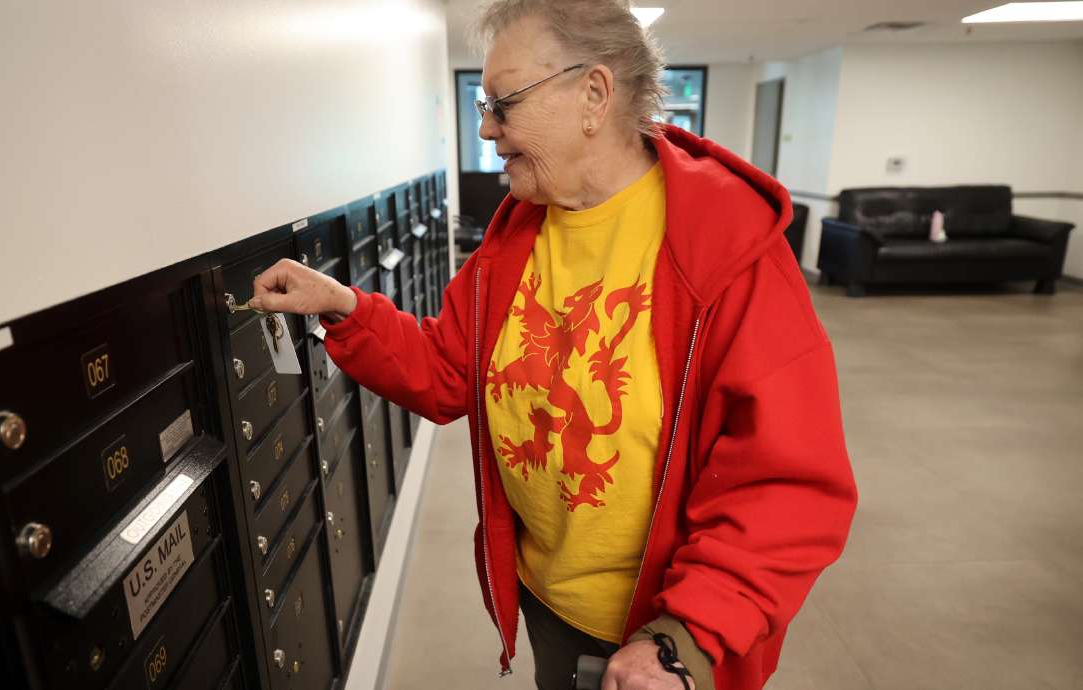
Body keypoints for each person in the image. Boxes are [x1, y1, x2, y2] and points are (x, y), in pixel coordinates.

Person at [248, 1, 857, 688]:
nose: (484, 128)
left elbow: (788, 485)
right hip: (548, 603)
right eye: (484, 104)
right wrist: (346, 307)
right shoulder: (515, 236)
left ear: (593, 94)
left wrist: (683, 637)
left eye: (502, 104)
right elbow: (450, 373)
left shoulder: (726, 248)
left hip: (666, 640)